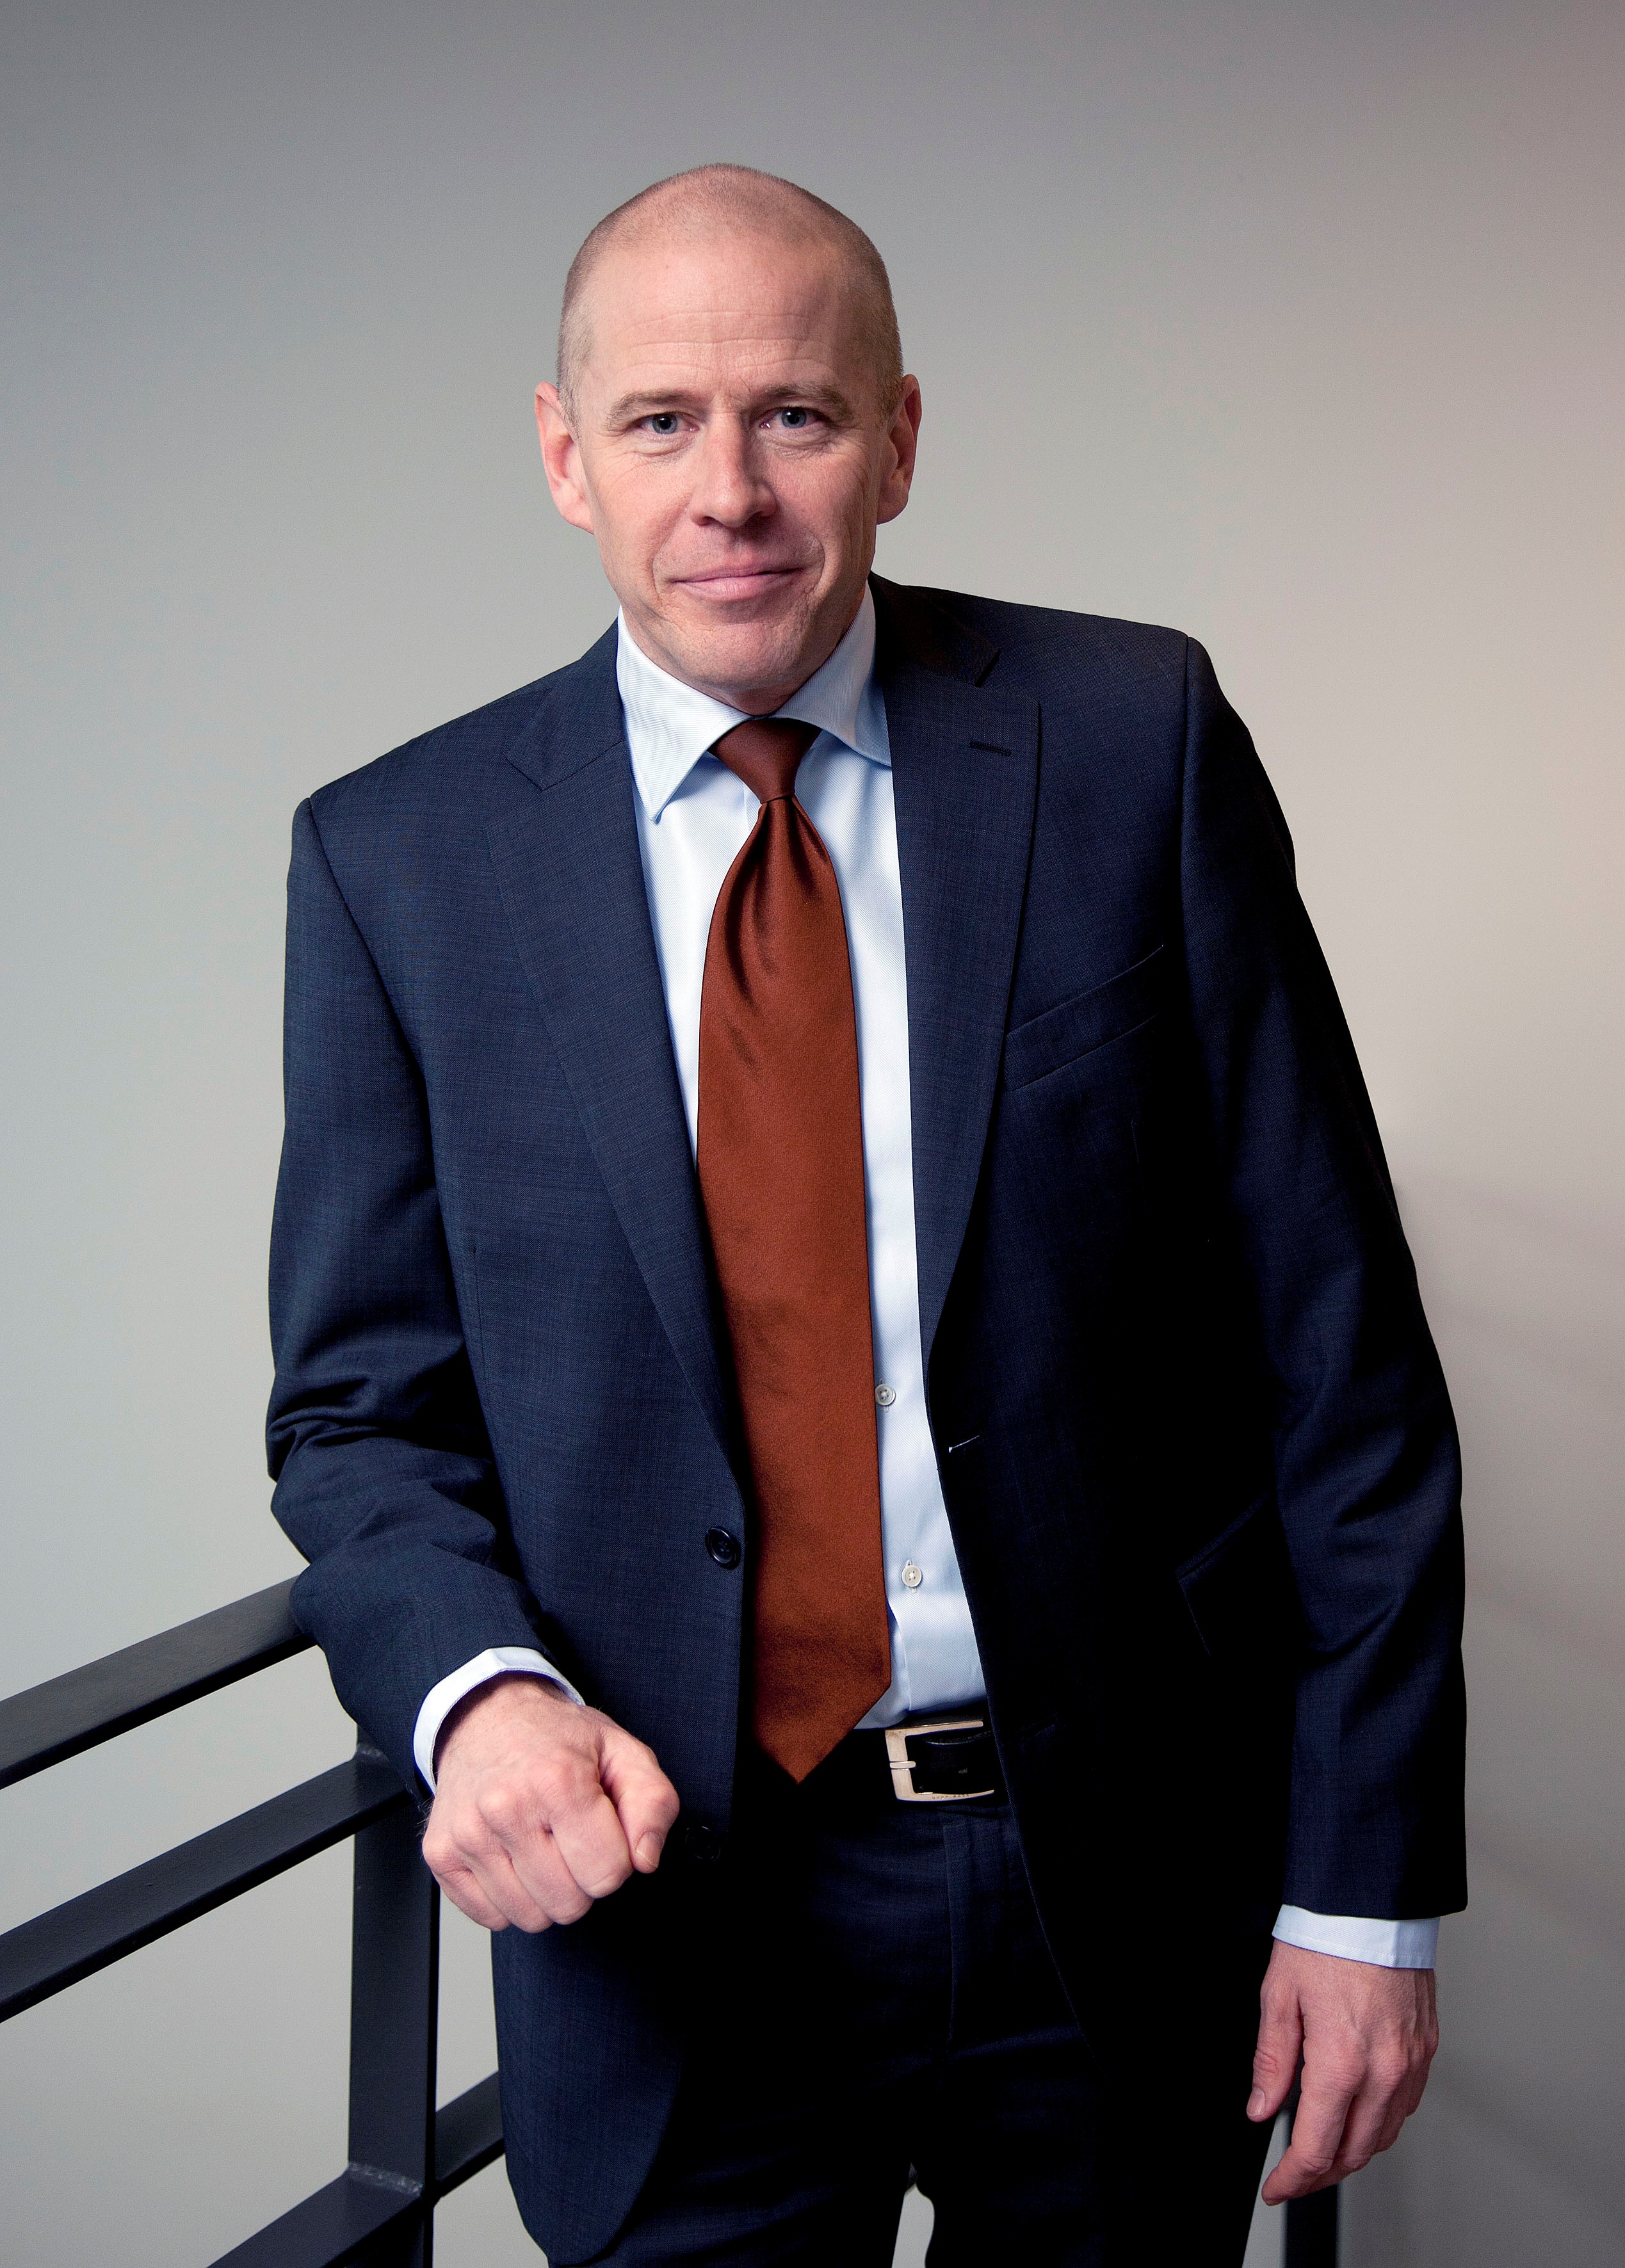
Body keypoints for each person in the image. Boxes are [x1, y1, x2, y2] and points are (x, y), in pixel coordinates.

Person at [267, 165, 1464, 2264]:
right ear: (565, 456)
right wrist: (475, 1694)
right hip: (673, 1921)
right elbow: (358, 1414)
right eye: (659, 421)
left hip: (1117, 1885)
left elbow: (1335, 1345)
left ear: (896, 441)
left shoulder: (1130, 744)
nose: (728, 491)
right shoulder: (399, 858)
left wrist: (1362, 1893)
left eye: (795, 416)